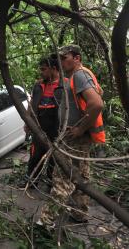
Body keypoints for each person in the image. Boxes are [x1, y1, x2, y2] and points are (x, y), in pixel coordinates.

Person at [39, 44, 105, 226]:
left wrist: (80, 129)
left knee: (61, 177)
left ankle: (46, 223)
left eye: (64, 57)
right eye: (59, 58)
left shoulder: (79, 75)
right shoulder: (75, 76)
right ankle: (80, 212)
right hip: (79, 138)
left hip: (74, 138)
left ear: (76, 58)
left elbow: (97, 104)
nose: (61, 61)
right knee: (81, 176)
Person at [23, 55, 66, 185]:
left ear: (53, 68)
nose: (41, 72)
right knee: (35, 155)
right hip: (39, 127)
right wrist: (27, 121)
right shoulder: (39, 85)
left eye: (43, 69)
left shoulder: (64, 85)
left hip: (56, 128)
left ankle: (50, 182)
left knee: (55, 157)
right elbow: (32, 103)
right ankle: (31, 181)